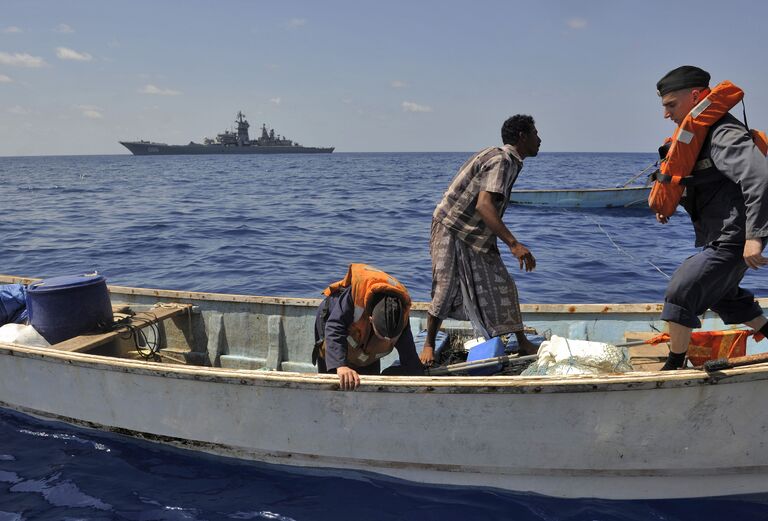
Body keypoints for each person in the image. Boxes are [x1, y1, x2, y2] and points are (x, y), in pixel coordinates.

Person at [653, 65, 768, 370]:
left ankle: (674, 366)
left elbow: (760, 178)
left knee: (682, 289)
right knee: (722, 295)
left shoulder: (723, 132)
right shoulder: (702, 132)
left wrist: (755, 237)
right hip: (723, 236)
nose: (666, 114)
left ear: (694, 96)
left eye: (670, 105)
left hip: (736, 238)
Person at [421, 115, 541, 366]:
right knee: (445, 286)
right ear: (522, 136)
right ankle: (429, 343)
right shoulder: (501, 160)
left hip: (476, 234)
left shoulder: (509, 160)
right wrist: (514, 244)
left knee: (503, 284)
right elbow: (484, 205)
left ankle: (521, 342)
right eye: (535, 134)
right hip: (451, 227)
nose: (539, 140)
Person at [313, 263, 424, 389]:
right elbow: (334, 327)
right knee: (337, 376)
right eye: (382, 336)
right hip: (333, 318)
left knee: (370, 374)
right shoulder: (353, 300)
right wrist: (341, 366)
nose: (386, 341)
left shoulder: (400, 316)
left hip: (366, 332)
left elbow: (409, 355)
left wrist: (418, 376)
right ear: (370, 320)